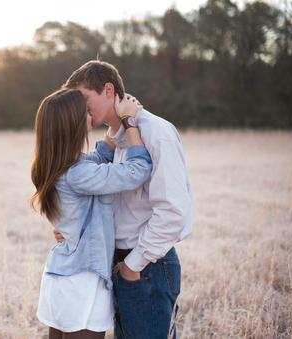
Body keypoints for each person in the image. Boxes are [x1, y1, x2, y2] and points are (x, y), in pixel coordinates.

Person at [55, 60, 194, 339]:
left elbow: (173, 212)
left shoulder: (155, 132)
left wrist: (132, 266)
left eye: (83, 98)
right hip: (114, 266)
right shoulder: (116, 139)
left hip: (146, 268)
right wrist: (75, 227)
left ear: (109, 90)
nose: (79, 109)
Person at [30, 88, 152, 339]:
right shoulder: (78, 174)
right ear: (72, 123)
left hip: (63, 275)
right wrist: (129, 122)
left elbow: (96, 158)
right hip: (82, 280)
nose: (91, 113)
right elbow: (137, 171)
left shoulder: (60, 164)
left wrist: (112, 131)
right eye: (85, 111)